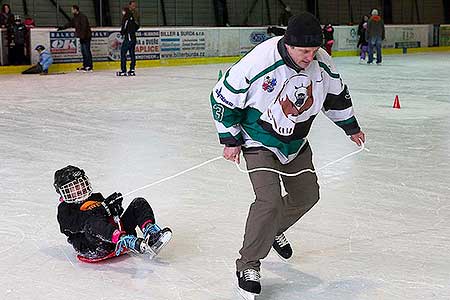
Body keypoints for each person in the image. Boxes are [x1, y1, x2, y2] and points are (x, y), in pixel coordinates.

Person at [210, 12, 365, 297]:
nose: (310, 56)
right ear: (288, 43)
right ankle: (248, 263)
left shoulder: (321, 63)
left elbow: (336, 96)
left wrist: (350, 127)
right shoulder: (260, 60)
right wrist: (230, 139)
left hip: (295, 142)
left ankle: (271, 231)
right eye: (304, 51)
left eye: (314, 50)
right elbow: (223, 97)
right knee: (268, 201)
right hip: (257, 140)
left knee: (307, 196)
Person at [54, 165, 172, 260]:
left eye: (80, 184)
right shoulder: (65, 209)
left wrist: (115, 208)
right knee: (91, 222)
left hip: (114, 236)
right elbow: (77, 224)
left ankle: (151, 234)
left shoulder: (96, 196)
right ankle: (125, 240)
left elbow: (108, 217)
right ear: (64, 191)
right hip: (95, 246)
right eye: (74, 187)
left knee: (138, 203)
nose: (79, 188)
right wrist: (102, 209)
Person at [58, 5, 93, 71]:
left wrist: (83, 36)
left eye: (72, 9)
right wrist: (62, 27)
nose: (71, 11)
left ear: (76, 10)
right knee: (83, 51)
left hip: (86, 37)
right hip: (82, 37)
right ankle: (85, 65)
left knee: (86, 51)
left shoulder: (82, 16)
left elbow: (84, 27)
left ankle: (89, 66)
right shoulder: (75, 17)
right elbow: (70, 24)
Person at [117, 7, 139, 76]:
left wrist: (123, 32)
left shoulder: (126, 17)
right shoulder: (132, 17)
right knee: (132, 53)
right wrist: (133, 31)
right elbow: (137, 26)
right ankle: (132, 69)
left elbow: (124, 27)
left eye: (123, 12)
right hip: (133, 38)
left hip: (128, 38)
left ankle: (123, 70)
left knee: (123, 53)